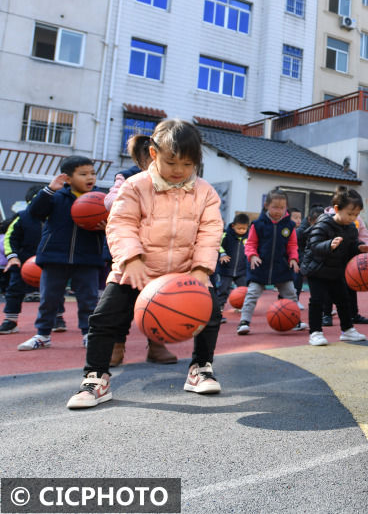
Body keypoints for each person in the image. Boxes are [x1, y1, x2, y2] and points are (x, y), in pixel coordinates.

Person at [66, 119, 225, 408]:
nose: (179, 171)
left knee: (211, 313)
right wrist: (132, 259)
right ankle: (95, 378)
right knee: (103, 319)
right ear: (153, 154)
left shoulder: (205, 192)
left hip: (185, 271)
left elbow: (210, 232)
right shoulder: (135, 186)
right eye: (172, 162)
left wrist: (202, 269)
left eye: (188, 165)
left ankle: (200, 368)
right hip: (137, 269)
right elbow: (120, 224)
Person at [103, 135, 178, 366]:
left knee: (160, 303)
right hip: (132, 253)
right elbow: (110, 201)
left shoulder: (174, 180)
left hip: (162, 253)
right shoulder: (127, 178)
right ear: (144, 158)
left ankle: (156, 345)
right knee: (122, 305)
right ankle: (117, 345)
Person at [17, 157, 105, 351]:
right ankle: (43, 335)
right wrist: (48, 190)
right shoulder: (55, 196)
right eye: (83, 174)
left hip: (88, 257)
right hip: (55, 256)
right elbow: (34, 214)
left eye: (92, 173)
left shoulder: (101, 199)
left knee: (89, 299)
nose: (90, 177)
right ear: (68, 178)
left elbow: (116, 224)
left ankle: (88, 334)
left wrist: (106, 227)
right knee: (49, 298)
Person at [301, 187, 368, 345]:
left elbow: (351, 245)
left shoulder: (351, 227)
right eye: (350, 213)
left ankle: (347, 330)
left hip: (336, 270)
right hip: (317, 269)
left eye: (356, 214)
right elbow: (314, 246)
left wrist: (359, 247)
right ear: (336, 209)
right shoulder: (323, 224)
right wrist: (329, 245)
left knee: (343, 300)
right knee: (317, 301)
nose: (353, 217)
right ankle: (315, 332)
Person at [238, 190, 306, 334]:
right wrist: (252, 256)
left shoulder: (289, 226)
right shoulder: (257, 224)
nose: (278, 211)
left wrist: (294, 259)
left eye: (282, 208)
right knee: (252, 294)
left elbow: (292, 246)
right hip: (260, 266)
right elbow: (250, 244)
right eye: (275, 207)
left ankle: (295, 321)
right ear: (267, 205)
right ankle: (244, 322)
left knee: (291, 294)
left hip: (281, 267)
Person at [1, 185, 46, 335]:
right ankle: (11, 320)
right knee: (14, 290)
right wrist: (13, 257)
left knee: (53, 292)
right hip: (21, 262)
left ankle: (57, 318)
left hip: (48, 261)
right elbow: (10, 238)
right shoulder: (22, 217)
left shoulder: (56, 217)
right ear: (30, 202)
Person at [217, 213, 250, 299]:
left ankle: (243, 307)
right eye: (239, 228)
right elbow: (218, 245)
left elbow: (252, 248)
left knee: (244, 290)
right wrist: (223, 254)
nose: (241, 230)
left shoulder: (249, 237)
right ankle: (220, 305)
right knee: (223, 289)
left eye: (244, 229)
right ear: (233, 226)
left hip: (241, 270)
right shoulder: (226, 235)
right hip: (226, 269)